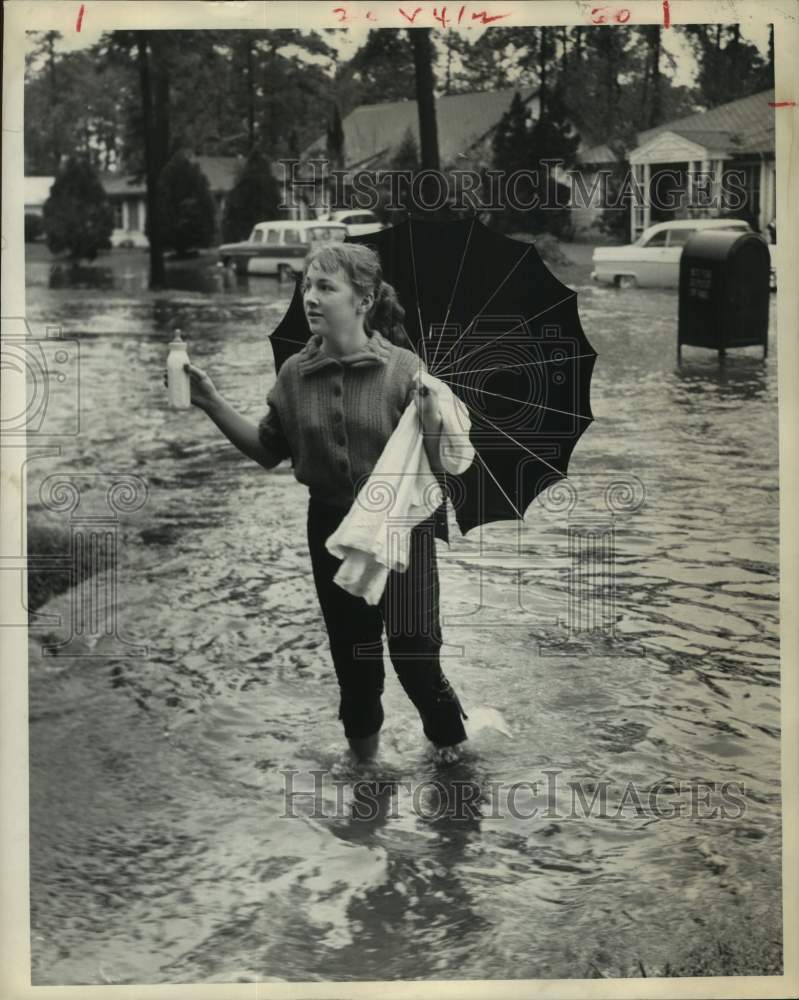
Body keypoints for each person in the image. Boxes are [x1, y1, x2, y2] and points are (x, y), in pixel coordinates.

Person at [172, 242, 470, 765]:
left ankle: (455, 767)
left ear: (363, 300)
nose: (310, 297)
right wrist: (209, 402)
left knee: (416, 661)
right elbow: (268, 451)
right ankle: (365, 783)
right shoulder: (293, 375)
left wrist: (431, 422)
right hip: (331, 527)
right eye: (307, 285)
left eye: (325, 287)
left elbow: (440, 469)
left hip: (403, 526)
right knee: (355, 671)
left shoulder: (405, 371)